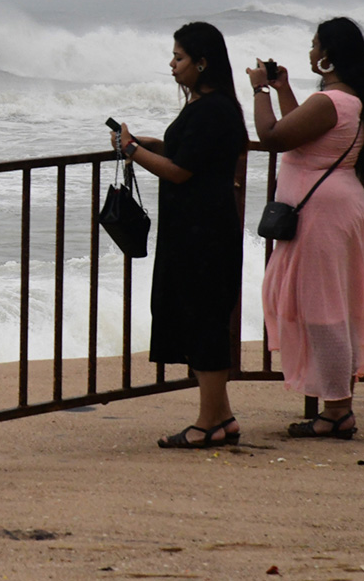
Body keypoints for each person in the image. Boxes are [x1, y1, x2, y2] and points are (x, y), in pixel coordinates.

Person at [248, 16, 364, 439]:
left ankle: (336, 411)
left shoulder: (331, 101)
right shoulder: (344, 99)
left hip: (323, 217)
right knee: (333, 306)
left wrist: (258, 89)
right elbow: (301, 131)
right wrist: (282, 89)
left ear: (328, 56)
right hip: (338, 208)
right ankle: (337, 405)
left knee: (324, 310)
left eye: (315, 45)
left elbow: (274, 137)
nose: (310, 51)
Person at [113, 22, 248, 449]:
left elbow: (181, 171)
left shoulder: (210, 109)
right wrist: (150, 143)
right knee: (204, 317)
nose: (172, 66)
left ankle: (207, 423)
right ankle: (222, 417)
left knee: (204, 320)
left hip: (201, 233)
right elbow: (190, 154)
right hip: (205, 227)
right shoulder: (215, 105)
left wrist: (135, 151)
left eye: (179, 58)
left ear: (201, 62)